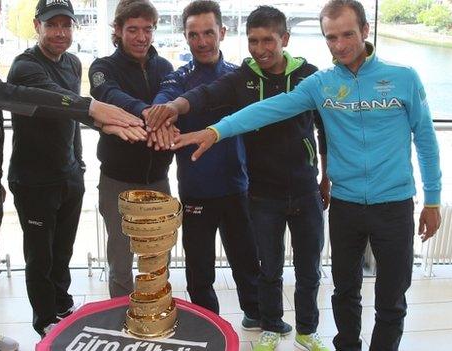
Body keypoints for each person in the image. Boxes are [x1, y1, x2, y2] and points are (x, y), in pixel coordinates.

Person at [171, 1, 443, 351]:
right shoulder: (320, 84)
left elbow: (426, 140)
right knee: (344, 293)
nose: (340, 45)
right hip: (345, 206)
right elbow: (265, 110)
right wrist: (216, 131)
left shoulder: (404, 78)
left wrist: (433, 199)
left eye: (347, 34)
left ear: (365, 30)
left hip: (394, 205)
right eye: (331, 37)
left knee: (391, 300)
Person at [0, 0, 143, 349]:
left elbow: (49, 116)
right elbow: (18, 95)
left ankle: (0, 329)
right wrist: (93, 107)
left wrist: (96, 130)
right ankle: (6, 333)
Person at [147, 6, 329, 351]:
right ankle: (241, 324)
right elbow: (194, 95)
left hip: (273, 188)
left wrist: (327, 176)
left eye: (268, 41)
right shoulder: (229, 78)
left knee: (286, 267)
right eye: (254, 41)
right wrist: (169, 109)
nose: (261, 49)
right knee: (244, 268)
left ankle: (288, 324)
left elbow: (325, 130)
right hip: (234, 192)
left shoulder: (298, 75)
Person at [6, 0, 144, 337]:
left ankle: (62, 305)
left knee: (62, 251)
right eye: (52, 25)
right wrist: (99, 111)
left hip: (68, 174)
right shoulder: (25, 66)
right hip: (34, 180)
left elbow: (73, 116)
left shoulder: (71, 62)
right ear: (37, 26)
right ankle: (44, 319)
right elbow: (56, 99)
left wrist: (79, 163)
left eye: (66, 25)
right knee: (40, 256)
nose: (59, 32)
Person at [149, 0, 262, 327]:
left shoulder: (240, 77)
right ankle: (209, 325)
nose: (201, 41)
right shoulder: (179, 77)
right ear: (185, 37)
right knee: (199, 269)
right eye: (193, 34)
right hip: (196, 189)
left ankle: (255, 314)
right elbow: (163, 102)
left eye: (208, 33)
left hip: (238, 186)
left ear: (222, 32)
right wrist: (162, 115)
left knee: (246, 260)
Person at [88, 0, 175, 298]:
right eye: (133, 29)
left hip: (159, 179)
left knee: (158, 254)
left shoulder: (164, 66)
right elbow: (108, 94)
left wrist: (160, 110)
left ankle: (154, 310)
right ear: (118, 30)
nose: (141, 37)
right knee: (121, 259)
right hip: (118, 181)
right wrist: (148, 112)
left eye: (147, 29)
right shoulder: (102, 67)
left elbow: (171, 93)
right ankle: (121, 315)